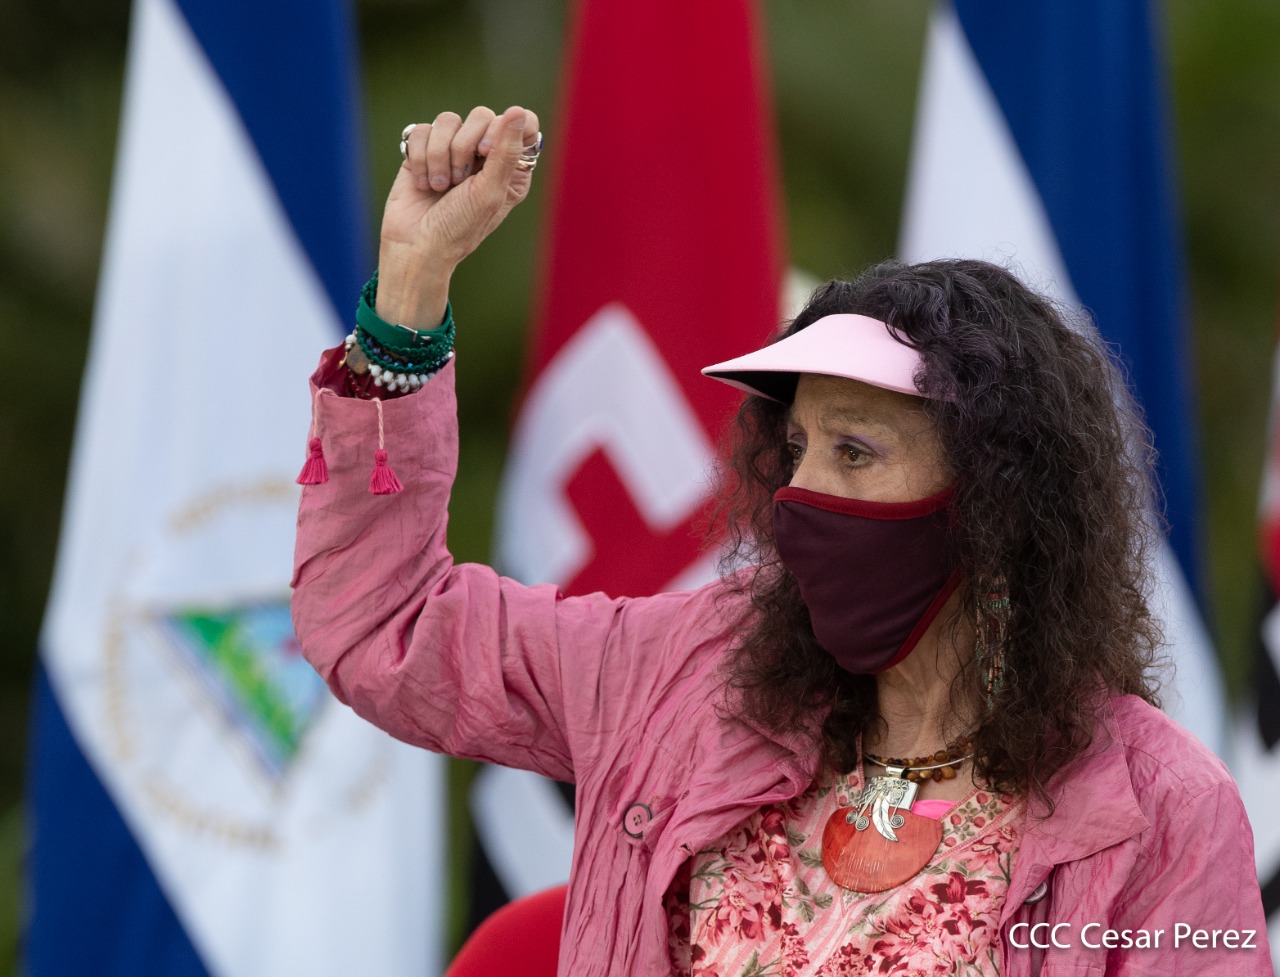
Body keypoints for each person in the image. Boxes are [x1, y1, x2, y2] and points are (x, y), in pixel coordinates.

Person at [290, 104, 1272, 977]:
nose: (801, 490)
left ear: (997, 497)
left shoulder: (1160, 807)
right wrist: (410, 292)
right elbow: (386, 623)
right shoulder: (679, 674)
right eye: (795, 447)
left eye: (855, 450)